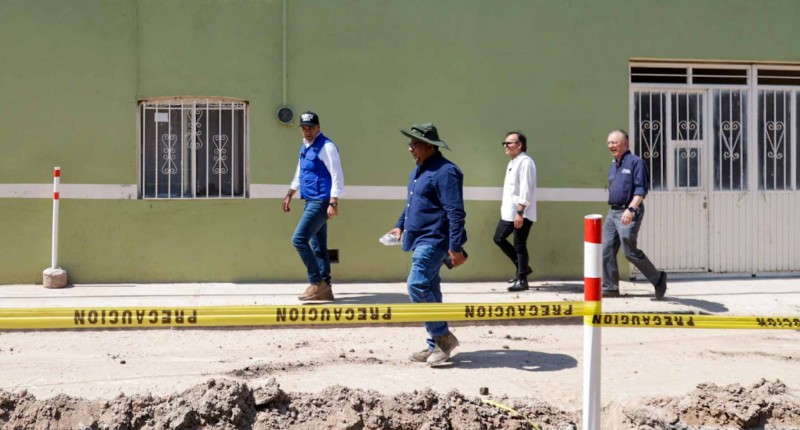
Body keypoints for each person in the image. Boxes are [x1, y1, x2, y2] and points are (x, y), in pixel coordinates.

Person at [385, 123, 467, 366]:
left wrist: (455, 246)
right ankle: (435, 344)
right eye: (410, 144)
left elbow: (456, 212)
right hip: (419, 237)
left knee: (416, 284)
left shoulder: (446, 172)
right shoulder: (419, 171)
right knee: (431, 288)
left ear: (430, 146)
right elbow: (412, 204)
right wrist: (400, 225)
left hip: (435, 239)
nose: (410, 148)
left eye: (415, 144)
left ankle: (443, 338)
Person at [282, 111, 344, 301]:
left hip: (321, 201)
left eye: (310, 127)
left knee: (299, 239)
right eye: (304, 127)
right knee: (318, 245)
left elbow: (337, 175)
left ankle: (316, 282)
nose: (307, 131)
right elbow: (300, 171)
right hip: (310, 199)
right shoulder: (306, 146)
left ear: (318, 127)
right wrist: (290, 193)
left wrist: (333, 201)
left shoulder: (327, 146)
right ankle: (325, 288)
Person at [602, 129, 667, 300]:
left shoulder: (636, 163)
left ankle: (658, 278)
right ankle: (610, 287)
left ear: (626, 143)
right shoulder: (614, 165)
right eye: (609, 143)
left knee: (629, 251)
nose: (611, 146)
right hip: (613, 212)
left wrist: (631, 209)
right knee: (606, 248)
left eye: (614, 142)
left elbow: (641, 189)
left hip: (628, 210)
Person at [493, 131, 537, 292]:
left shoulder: (525, 163)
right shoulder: (513, 162)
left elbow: (526, 189)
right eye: (504, 143)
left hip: (520, 213)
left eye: (509, 143)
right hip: (509, 212)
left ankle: (522, 280)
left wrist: (520, 212)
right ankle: (523, 268)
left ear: (519, 145)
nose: (505, 146)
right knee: (498, 238)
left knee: (519, 245)